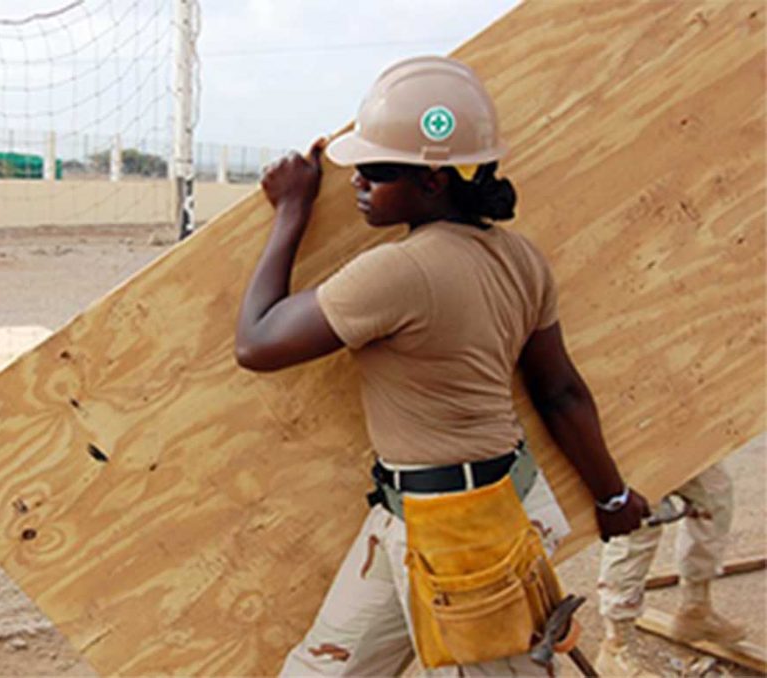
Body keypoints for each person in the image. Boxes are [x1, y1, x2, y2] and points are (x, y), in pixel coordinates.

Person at [234, 55, 649, 676]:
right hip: (424, 517)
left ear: (433, 182)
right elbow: (559, 391)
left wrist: (293, 211)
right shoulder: (520, 259)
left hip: (467, 539)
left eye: (376, 171)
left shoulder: (396, 272)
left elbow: (257, 343)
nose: (358, 184)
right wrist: (611, 495)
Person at [596, 463, 745, 677]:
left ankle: (696, 609)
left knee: (714, 495)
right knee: (638, 525)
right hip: (638, 444)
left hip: (683, 436)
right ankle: (617, 645)